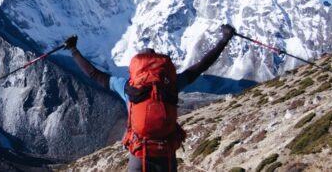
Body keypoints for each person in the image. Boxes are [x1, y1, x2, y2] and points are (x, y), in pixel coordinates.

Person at [64, 24, 236, 172]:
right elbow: (200, 66)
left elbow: (94, 74)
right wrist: (224, 39)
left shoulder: (127, 87)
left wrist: (73, 50)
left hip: (139, 154)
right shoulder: (171, 85)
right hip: (166, 154)